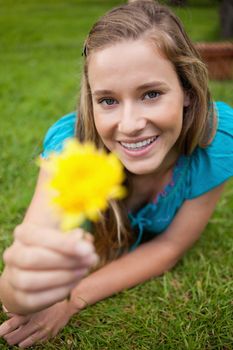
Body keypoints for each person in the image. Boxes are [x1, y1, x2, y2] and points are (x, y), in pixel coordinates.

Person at [0, 0, 233, 347]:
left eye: (151, 94)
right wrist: (20, 283)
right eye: (108, 100)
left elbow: (170, 247)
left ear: (186, 90)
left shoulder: (216, 140)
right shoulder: (71, 152)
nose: (130, 124)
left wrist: (73, 299)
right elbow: (25, 269)